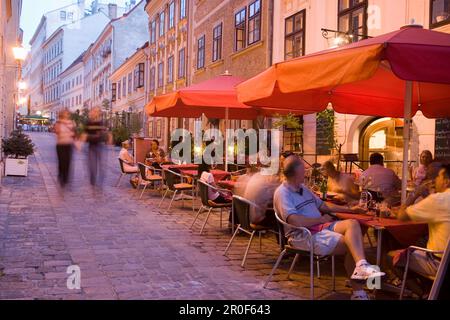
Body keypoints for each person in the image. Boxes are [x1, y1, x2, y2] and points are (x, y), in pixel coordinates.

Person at [274, 155, 385, 300]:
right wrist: (320, 219)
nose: (306, 172)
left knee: (353, 223)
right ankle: (360, 291)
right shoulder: (283, 193)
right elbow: (296, 221)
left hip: (320, 227)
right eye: (303, 170)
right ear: (296, 173)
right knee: (354, 244)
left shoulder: (302, 188)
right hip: (304, 235)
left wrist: (351, 209)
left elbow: (324, 205)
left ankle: (361, 266)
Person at [393, 164, 450, 284]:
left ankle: (422, 292)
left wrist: (415, 193)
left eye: (438, 176)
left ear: (446, 181)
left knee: (391, 256)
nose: (435, 180)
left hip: (439, 263)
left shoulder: (438, 200)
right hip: (443, 258)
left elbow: (401, 217)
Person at [82, 107, 110, 187]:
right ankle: (92, 179)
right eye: (94, 111)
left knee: (102, 164)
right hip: (91, 146)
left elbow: (106, 132)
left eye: (97, 111)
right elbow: (85, 133)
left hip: (100, 145)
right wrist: (80, 143)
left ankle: (101, 181)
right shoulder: (88, 122)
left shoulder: (102, 122)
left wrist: (109, 138)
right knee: (92, 165)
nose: (96, 113)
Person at [54, 110, 76, 188]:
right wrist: (67, 133)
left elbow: (74, 133)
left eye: (67, 113)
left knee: (68, 161)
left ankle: (66, 177)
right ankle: (61, 175)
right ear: (62, 114)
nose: (67, 115)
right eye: (65, 113)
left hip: (69, 144)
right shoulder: (58, 123)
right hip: (60, 144)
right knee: (61, 161)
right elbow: (57, 132)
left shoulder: (72, 122)